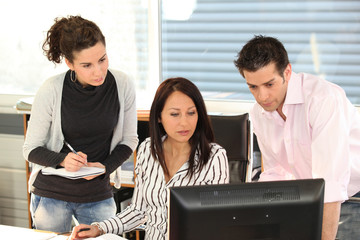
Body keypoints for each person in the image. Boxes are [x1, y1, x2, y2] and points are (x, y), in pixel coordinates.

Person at [68, 77, 230, 240]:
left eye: (191, 113)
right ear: (159, 116)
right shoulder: (147, 149)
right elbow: (138, 211)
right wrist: (99, 228)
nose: (184, 122)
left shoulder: (214, 156)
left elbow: (218, 222)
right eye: (175, 114)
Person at [234, 35, 360, 240]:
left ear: (287, 72)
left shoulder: (322, 100)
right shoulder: (259, 113)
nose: (262, 97)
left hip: (352, 199)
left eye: (269, 84)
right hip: (309, 198)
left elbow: (331, 183)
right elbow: (275, 173)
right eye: (253, 87)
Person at [22, 15, 138, 233]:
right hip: (52, 195)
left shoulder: (123, 84)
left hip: (97, 193)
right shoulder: (51, 89)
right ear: (70, 63)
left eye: (102, 59)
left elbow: (129, 139)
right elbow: (30, 150)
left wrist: (106, 166)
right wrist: (63, 160)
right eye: (87, 65)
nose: (98, 71)